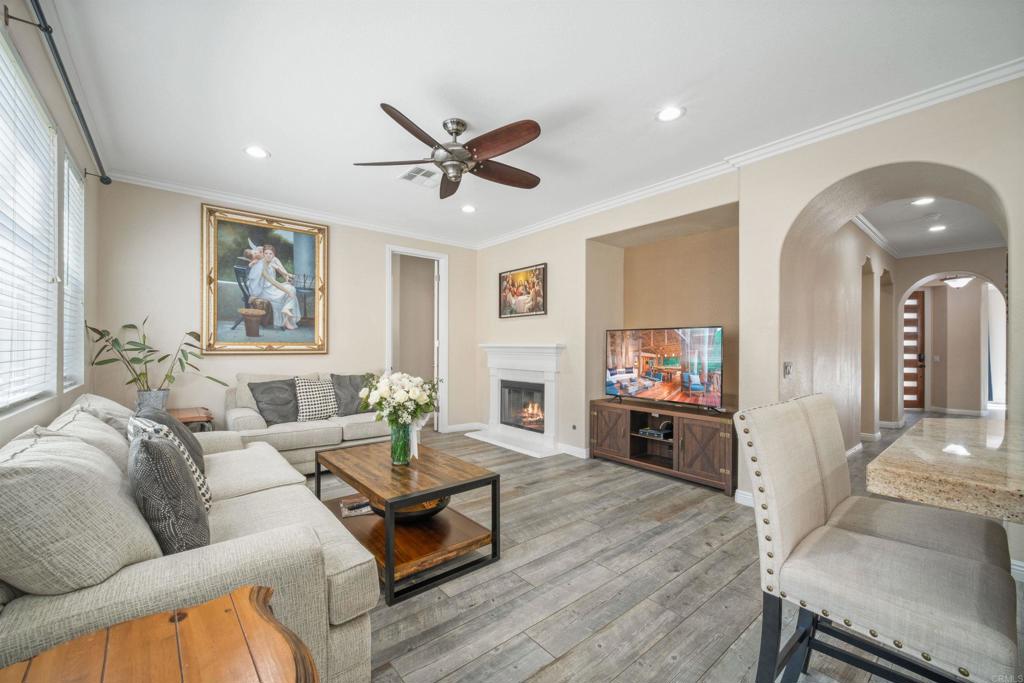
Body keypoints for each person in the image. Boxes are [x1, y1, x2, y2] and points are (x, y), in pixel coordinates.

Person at [258, 245, 300, 330]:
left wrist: (286, 279)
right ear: (263, 254)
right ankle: (286, 319)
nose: (268, 255)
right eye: (266, 253)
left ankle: (286, 314)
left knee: (291, 287)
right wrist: (287, 291)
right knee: (290, 291)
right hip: (265, 291)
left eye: (271, 253)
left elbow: (281, 271)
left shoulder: (272, 262)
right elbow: (273, 282)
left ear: (273, 255)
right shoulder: (261, 265)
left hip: (272, 288)